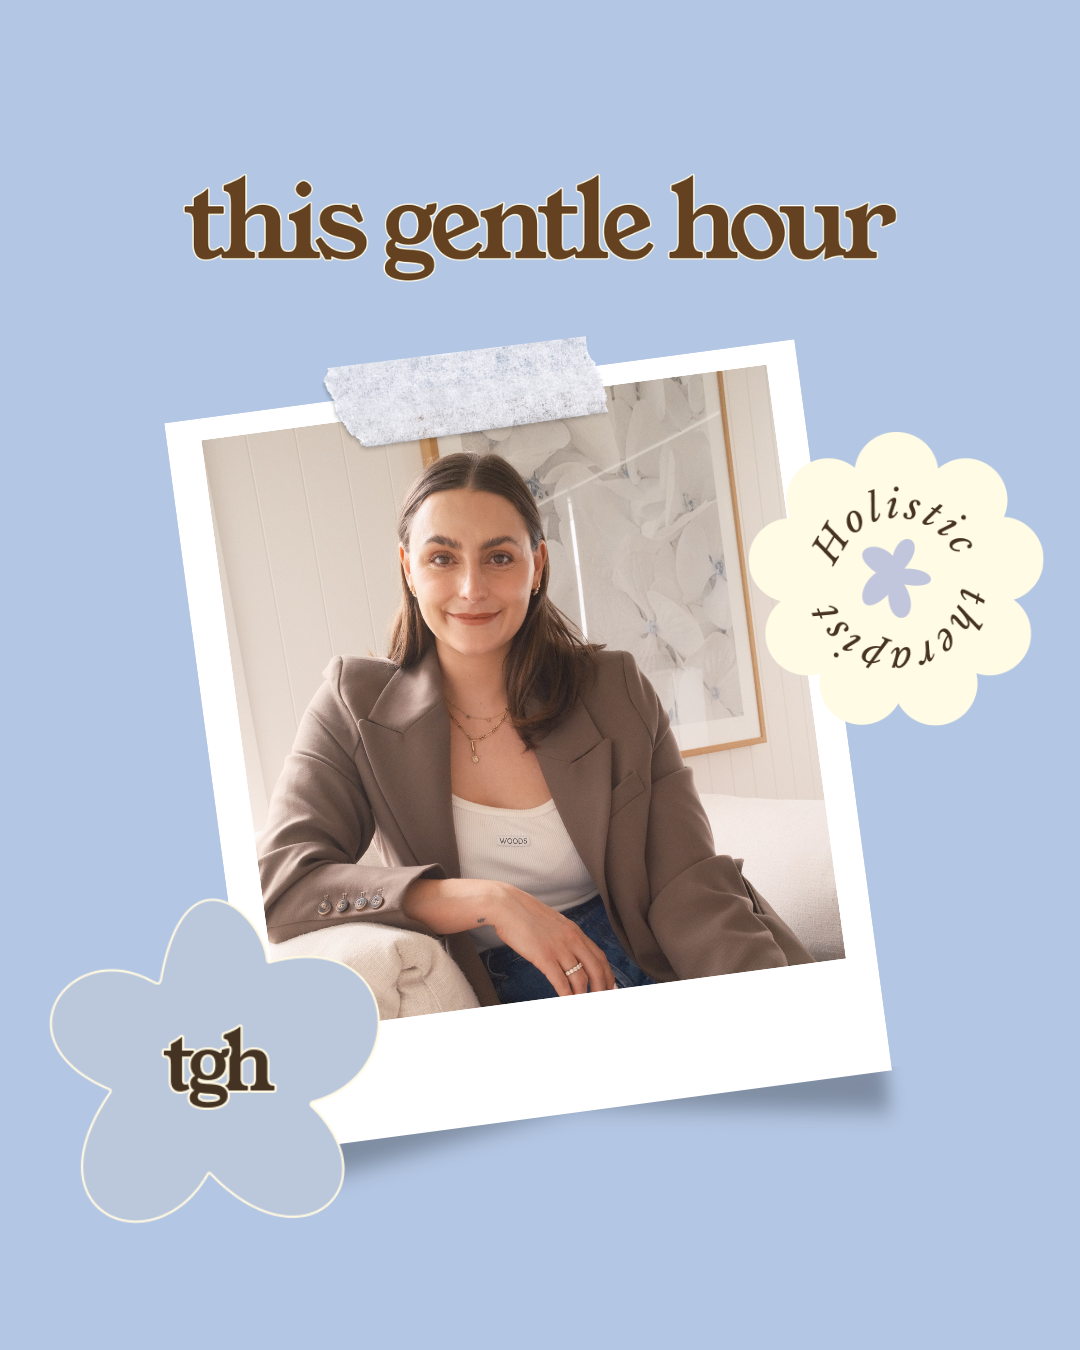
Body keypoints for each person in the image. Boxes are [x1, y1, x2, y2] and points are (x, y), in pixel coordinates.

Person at [258, 452, 812, 1007]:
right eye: (442, 558)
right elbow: (279, 884)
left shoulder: (612, 688)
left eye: (499, 557)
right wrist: (493, 902)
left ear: (538, 564)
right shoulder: (354, 704)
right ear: (408, 567)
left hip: (645, 957)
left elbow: (687, 883)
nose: (472, 588)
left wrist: (768, 1005)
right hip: (496, 986)